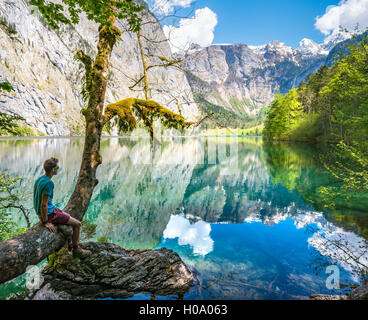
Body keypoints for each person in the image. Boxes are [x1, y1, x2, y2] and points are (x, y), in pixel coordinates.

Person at [33, 157, 91, 258]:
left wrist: (40, 216)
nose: (58, 169)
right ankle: (76, 249)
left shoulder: (40, 179)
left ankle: (69, 240)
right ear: (53, 170)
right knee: (77, 224)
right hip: (49, 214)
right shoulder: (48, 183)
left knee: (67, 215)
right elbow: (43, 204)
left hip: (43, 212)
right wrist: (45, 222)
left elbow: (37, 201)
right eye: (57, 167)